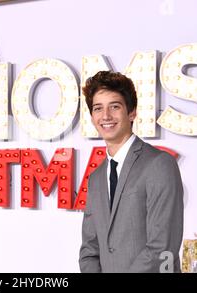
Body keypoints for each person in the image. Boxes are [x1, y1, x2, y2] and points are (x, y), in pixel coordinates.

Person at [79, 71, 184, 273]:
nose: (106, 116)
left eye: (115, 106)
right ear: (92, 117)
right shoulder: (96, 178)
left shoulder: (160, 164)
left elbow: (162, 248)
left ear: (132, 112)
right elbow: (89, 249)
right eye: (98, 108)